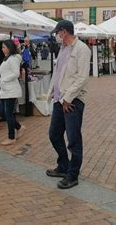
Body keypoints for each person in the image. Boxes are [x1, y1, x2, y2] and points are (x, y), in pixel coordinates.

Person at [46, 20, 91, 189]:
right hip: (60, 100)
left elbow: (82, 78)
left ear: (64, 32)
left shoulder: (82, 50)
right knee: (54, 135)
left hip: (72, 101)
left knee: (73, 139)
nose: (57, 36)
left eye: (58, 33)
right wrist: (51, 93)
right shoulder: (63, 49)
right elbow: (58, 74)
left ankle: (73, 175)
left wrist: (68, 97)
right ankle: (63, 166)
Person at [0, 40, 25, 146]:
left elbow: (16, 73)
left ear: (9, 48)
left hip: (11, 89)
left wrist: (4, 79)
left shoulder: (13, 58)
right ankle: (19, 127)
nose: (2, 49)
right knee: (2, 111)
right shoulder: (7, 58)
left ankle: (11, 137)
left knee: (8, 113)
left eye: (4, 47)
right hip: (5, 89)